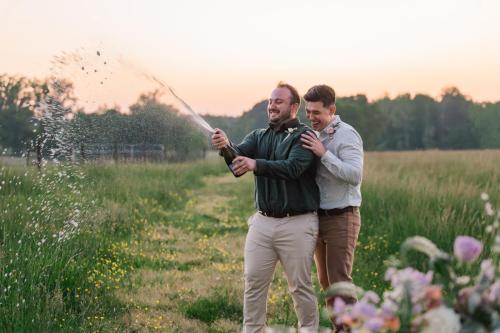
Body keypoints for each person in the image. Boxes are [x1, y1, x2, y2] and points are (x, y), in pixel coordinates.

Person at [211, 82, 320, 333]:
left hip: (298, 222)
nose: (272, 105)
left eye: (278, 101)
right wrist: (226, 146)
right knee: (253, 283)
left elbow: (293, 168)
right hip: (262, 222)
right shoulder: (258, 136)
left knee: (299, 286)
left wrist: (255, 164)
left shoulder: (304, 136)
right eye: (271, 101)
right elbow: (237, 161)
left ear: (293, 107)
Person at [300, 84, 363, 312]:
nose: (311, 117)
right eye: (308, 111)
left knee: (339, 283)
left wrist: (323, 154)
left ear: (332, 110)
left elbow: (355, 175)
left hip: (342, 217)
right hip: (319, 217)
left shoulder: (347, 134)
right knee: (326, 282)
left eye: (316, 112)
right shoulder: (314, 135)